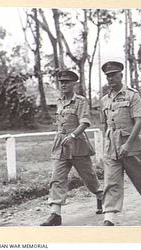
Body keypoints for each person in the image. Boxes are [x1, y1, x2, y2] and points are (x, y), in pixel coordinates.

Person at [40, 70, 103, 226]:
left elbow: (85, 122)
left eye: (67, 82)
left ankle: (100, 195)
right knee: (57, 177)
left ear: (74, 84)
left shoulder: (80, 101)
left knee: (88, 177)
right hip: (61, 145)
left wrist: (73, 135)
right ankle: (55, 214)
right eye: (61, 82)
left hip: (77, 144)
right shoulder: (59, 100)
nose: (63, 85)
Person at [100, 61, 141, 226]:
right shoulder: (105, 99)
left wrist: (128, 144)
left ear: (121, 76)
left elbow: (139, 121)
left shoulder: (132, 95)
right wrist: (107, 143)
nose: (111, 78)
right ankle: (109, 216)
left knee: (140, 178)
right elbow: (106, 124)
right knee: (111, 180)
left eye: (114, 75)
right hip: (112, 146)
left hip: (130, 144)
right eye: (108, 76)